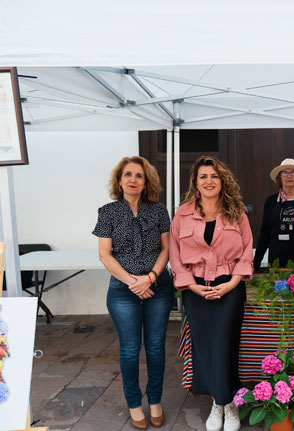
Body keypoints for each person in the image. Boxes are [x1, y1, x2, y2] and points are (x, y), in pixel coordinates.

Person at [169, 156, 253, 431]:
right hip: (195, 290)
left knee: (225, 345)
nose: (209, 181)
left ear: (222, 181)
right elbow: (175, 255)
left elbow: (246, 253)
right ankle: (219, 403)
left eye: (214, 176)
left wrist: (231, 284)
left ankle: (227, 405)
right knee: (205, 347)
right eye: (203, 176)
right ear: (195, 182)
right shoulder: (182, 215)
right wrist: (191, 286)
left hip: (230, 288)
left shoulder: (237, 213)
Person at [93, 156, 173, 430]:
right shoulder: (107, 212)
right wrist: (133, 282)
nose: (133, 180)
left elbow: (166, 249)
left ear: (146, 181)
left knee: (156, 347)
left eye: (139, 175)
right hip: (122, 290)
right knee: (129, 350)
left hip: (158, 287)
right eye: (127, 174)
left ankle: (155, 401)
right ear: (119, 180)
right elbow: (105, 255)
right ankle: (134, 403)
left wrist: (150, 278)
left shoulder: (159, 210)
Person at [253, 158, 294, 271]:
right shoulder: (271, 201)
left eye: (293, 172)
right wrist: (256, 264)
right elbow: (264, 234)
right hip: (278, 264)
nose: (289, 176)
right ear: (279, 178)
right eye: (284, 173)